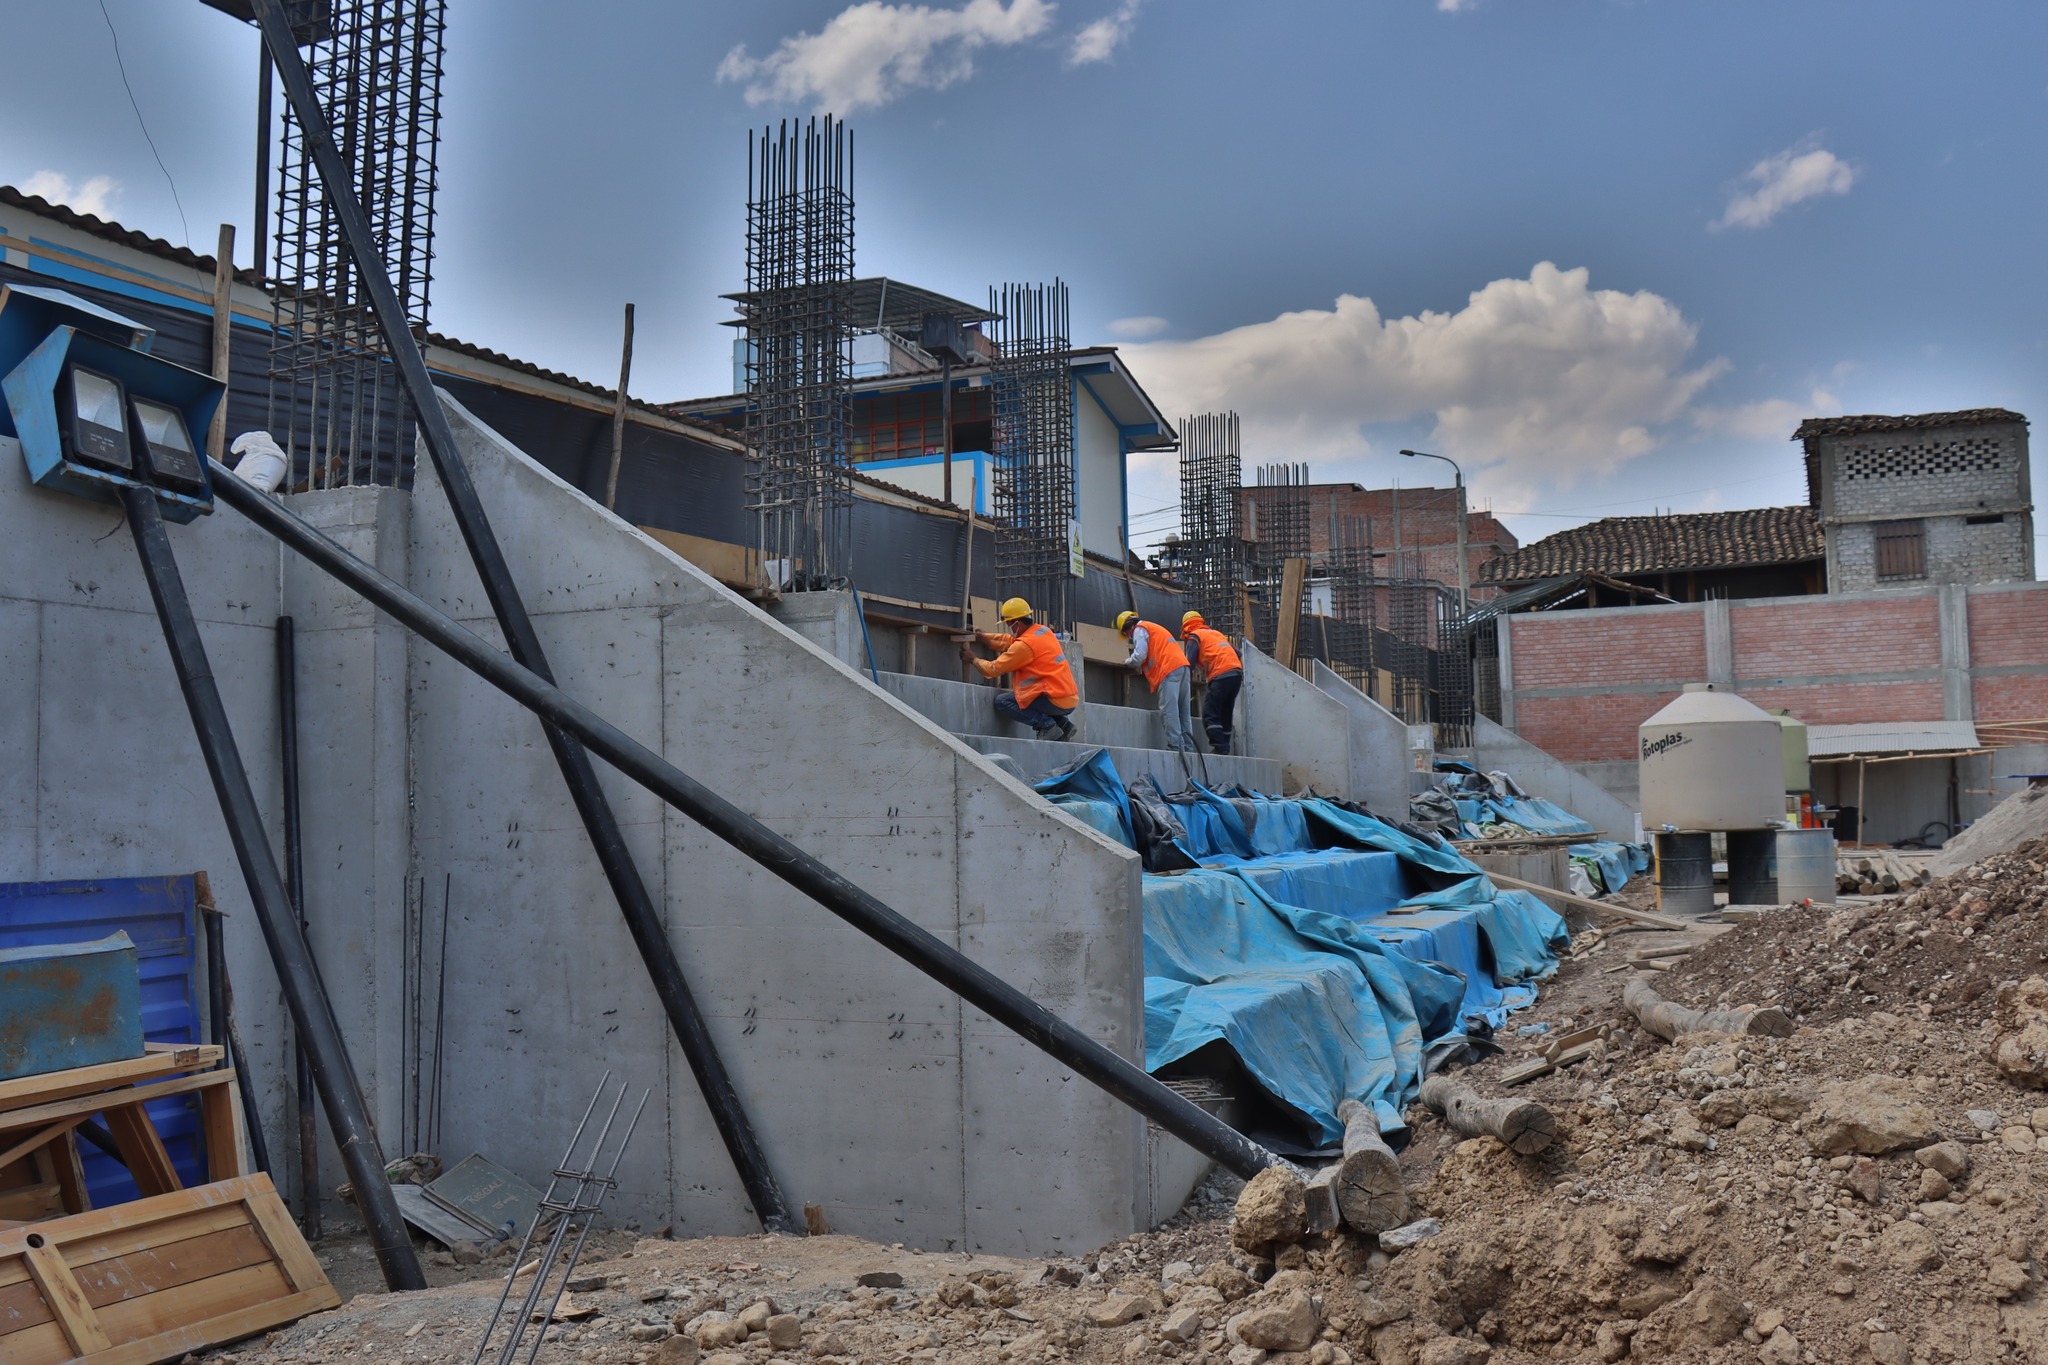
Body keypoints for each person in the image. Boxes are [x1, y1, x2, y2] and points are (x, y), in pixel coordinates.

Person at [961, 597, 1077, 740]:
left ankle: (1046, 725)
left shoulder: (1024, 647)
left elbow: (992, 669)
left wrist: (973, 659)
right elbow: (1008, 640)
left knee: (1003, 702)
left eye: (1009, 623)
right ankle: (1064, 725)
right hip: (1068, 698)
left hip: (1053, 699)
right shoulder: (1043, 631)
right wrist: (984, 637)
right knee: (1036, 699)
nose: (1008, 627)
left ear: (1017, 623)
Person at [1114, 610, 1195, 753]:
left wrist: (1127, 662)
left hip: (1168, 670)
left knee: (1169, 711)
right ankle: (1188, 749)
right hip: (1183, 668)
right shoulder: (1153, 627)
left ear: (1128, 628)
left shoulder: (1140, 629)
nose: (1128, 637)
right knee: (1184, 713)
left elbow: (1140, 655)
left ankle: (1176, 747)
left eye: (1126, 634)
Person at [1179, 610, 1244, 755]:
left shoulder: (1194, 636)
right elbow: (1238, 653)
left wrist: (1184, 682)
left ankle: (1219, 746)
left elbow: (1188, 662)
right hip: (1236, 674)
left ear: (1185, 628)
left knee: (1210, 712)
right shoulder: (1215, 634)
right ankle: (1225, 746)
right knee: (1226, 711)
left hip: (1221, 674)